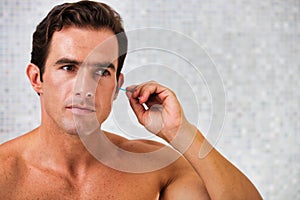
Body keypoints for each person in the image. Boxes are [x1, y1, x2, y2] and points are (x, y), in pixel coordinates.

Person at [0, 1, 262, 199]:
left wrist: (180, 132)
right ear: (37, 78)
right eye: (69, 67)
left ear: (116, 87)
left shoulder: (152, 169)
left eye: (102, 72)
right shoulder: (5, 174)